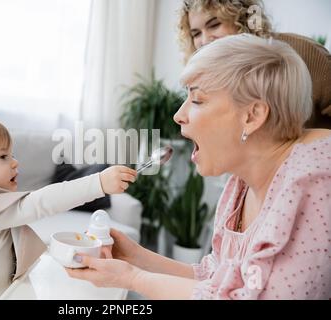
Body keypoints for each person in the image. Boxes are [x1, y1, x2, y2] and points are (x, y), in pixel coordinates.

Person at [66, 34, 331, 299]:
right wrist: (136, 256)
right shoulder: (237, 187)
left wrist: (133, 279)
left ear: (252, 115)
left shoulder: (313, 182)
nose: (178, 115)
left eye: (197, 100)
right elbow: (215, 278)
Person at [0, 115, 137, 298]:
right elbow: (41, 202)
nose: (15, 162)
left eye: (12, 155)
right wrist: (98, 183)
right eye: (2, 156)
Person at [177, 0, 331, 129]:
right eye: (196, 34)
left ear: (243, 18)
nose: (204, 41)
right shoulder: (209, 81)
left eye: (214, 24)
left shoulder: (304, 54)